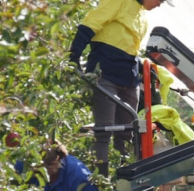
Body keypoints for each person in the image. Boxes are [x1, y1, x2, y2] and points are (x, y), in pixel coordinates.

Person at [68, 0, 174, 176]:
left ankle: (124, 177)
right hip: (105, 73)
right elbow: (89, 25)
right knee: (104, 129)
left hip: (129, 79)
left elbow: (128, 46)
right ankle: (101, 180)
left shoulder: (142, 16)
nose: (159, 4)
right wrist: (74, 57)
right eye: (160, 0)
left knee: (127, 131)